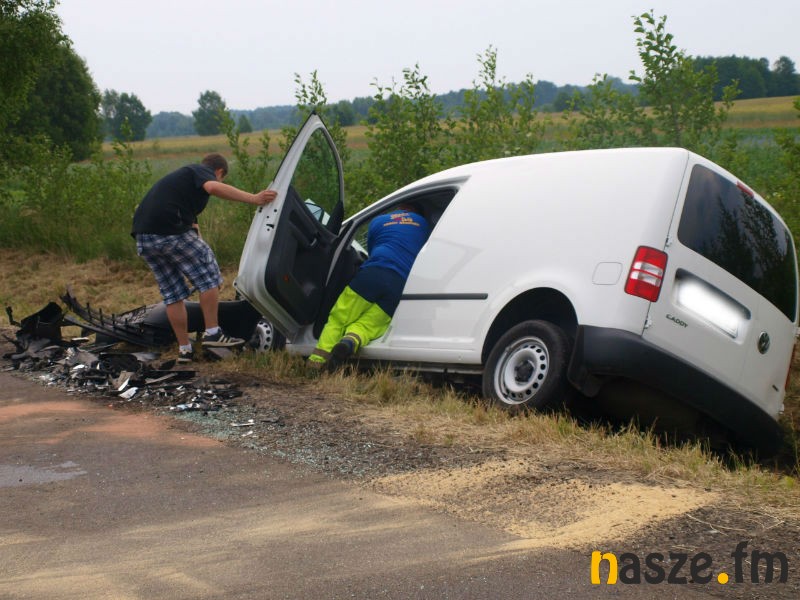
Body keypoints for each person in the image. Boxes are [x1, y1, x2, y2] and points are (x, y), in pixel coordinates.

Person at [131, 153, 277, 363]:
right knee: (209, 275)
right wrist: (254, 198)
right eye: (222, 178)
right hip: (168, 231)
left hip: (145, 238)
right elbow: (213, 187)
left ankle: (184, 349)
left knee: (173, 294)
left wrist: (200, 249)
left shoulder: (183, 188)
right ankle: (213, 333)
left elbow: (194, 229)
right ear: (219, 172)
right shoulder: (201, 171)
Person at [308, 202, 430, 369]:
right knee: (370, 325)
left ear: (400, 208)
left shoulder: (379, 221)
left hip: (373, 273)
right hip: (400, 283)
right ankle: (349, 342)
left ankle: (317, 362)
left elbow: (372, 251)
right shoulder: (423, 224)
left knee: (339, 317)